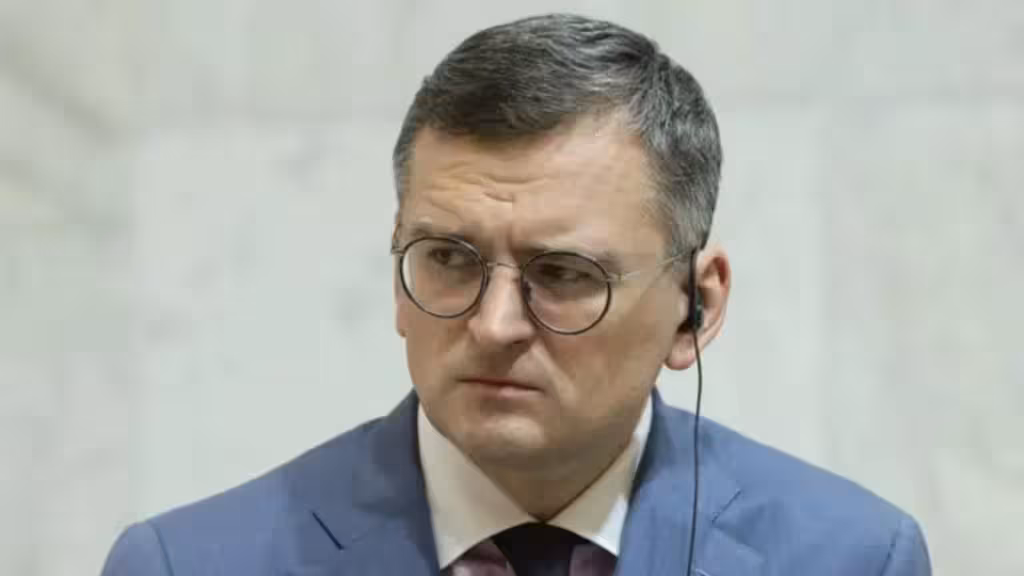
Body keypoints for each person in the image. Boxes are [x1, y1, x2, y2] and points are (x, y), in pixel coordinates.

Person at [101, 13, 931, 576]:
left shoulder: (852, 559)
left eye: (564, 275)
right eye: (448, 260)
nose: (494, 326)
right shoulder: (188, 564)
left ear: (696, 308)